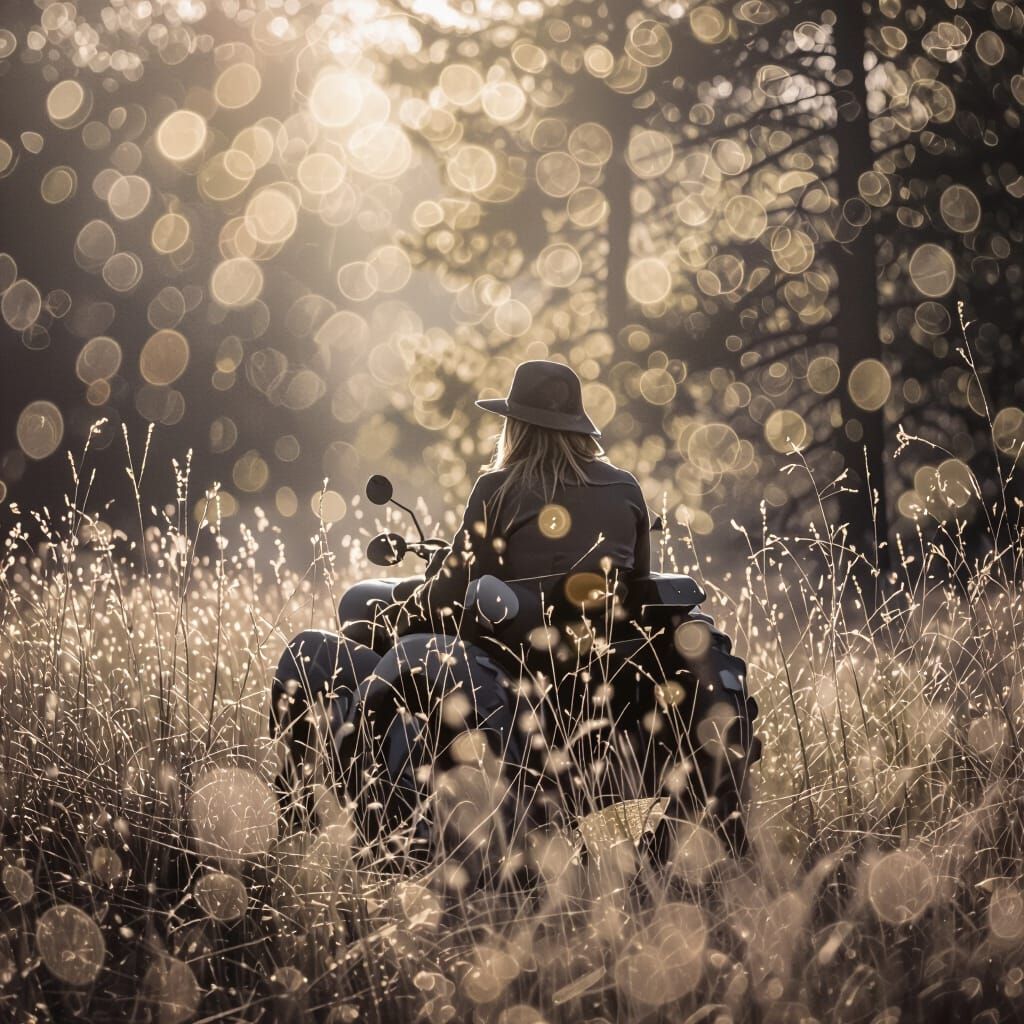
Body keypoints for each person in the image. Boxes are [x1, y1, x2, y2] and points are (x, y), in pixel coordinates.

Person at [269, 360, 653, 842]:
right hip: (597, 670)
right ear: (577, 426)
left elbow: (451, 589)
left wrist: (401, 616)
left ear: (515, 426)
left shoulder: (499, 487)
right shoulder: (626, 488)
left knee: (311, 652)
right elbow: (640, 586)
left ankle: (307, 812)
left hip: (511, 660)